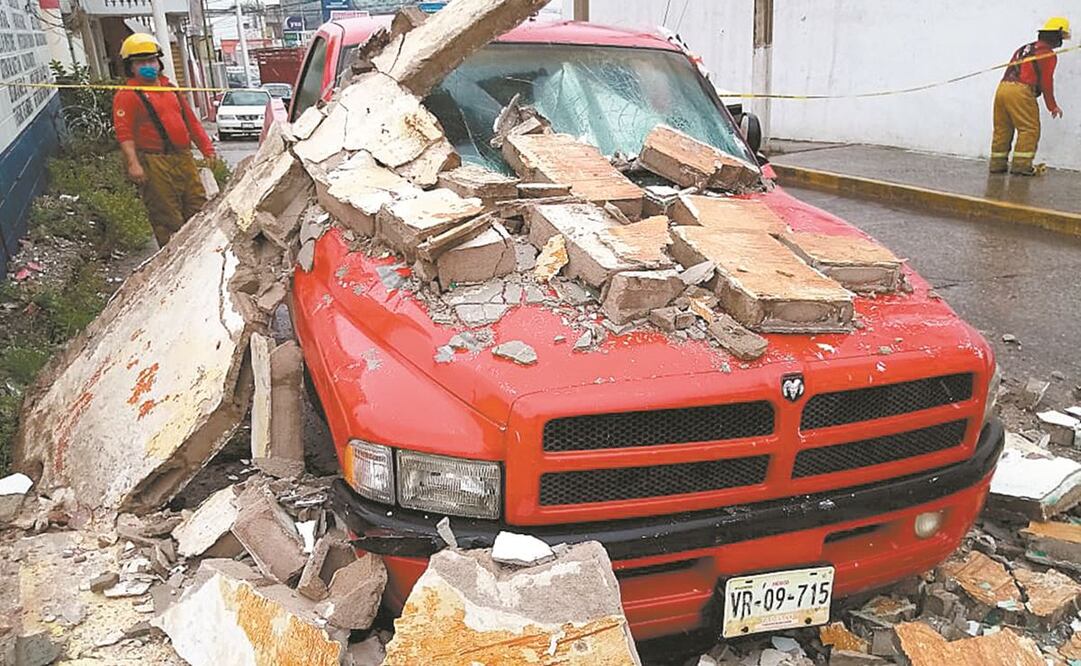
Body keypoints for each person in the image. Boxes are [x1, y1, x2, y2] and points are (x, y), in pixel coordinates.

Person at [112, 33, 216, 246]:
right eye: (141, 62)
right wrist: (133, 164)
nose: (148, 65)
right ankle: (173, 264)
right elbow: (124, 133)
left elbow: (191, 122)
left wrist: (207, 149)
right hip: (154, 162)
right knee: (167, 217)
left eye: (151, 60)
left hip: (183, 158)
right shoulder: (128, 94)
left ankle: (201, 255)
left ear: (159, 62)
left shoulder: (170, 89)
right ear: (130, 67)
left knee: (198, 208)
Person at [990, 17, 1070, 175]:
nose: (1061, 41)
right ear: (1056, 36)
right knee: (1029, 129)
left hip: (1002, 89)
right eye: (1061, 37)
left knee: (1002, 129)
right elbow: (1046, 82)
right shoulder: (1047, 54)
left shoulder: (1024, 48)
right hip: (1021, 90)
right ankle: (1021, 166)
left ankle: (996, 165)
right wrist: (1052, 105)